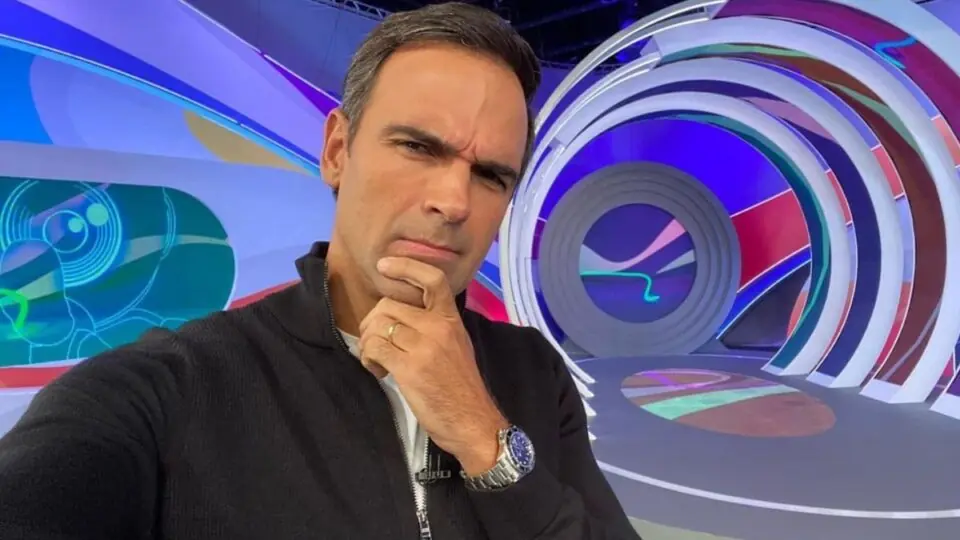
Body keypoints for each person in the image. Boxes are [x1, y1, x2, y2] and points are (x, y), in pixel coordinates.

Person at [0, 3, 639, 539]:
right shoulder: (165, 387)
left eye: (491, 175)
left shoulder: (533, 370)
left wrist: (485, 439)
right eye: (418, 147)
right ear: (337, 150)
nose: (454, 202)